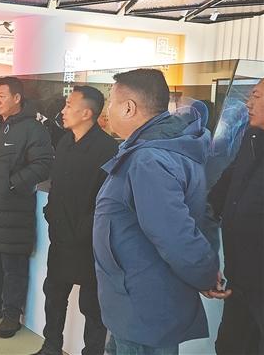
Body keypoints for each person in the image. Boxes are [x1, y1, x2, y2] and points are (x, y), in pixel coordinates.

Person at [94, 69, 218, 354]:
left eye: (111, 102)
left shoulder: (149, 159)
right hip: (134, 298)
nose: (107, 110)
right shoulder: (164, 147)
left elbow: (175, 234)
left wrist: (205, 274)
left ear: (129, 108)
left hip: (143, 302)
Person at [31, 86, 118, 355]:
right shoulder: (64, 142)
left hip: (90, 242)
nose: (63, 111)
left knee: (92, 306)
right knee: (54, 296)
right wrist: (50, 212)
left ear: (87, 113)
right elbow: (57, 184)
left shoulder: (107, 149)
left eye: (69, 105)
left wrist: (84, 230)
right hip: (61, 236)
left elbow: (107, 200)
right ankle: (51, 347)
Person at [0, 76, 53, 338]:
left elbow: (43, 164)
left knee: (12, 266)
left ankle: (12, 314)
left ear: (17, 97)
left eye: (2, 95)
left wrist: (12, 184)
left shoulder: (32, 128)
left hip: (12, 210)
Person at [207, 78, 263, 355]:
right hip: (240, 278)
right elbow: (224, 189)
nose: (248, 104)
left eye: (257, 96)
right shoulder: (252, 140)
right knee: (230, 346)